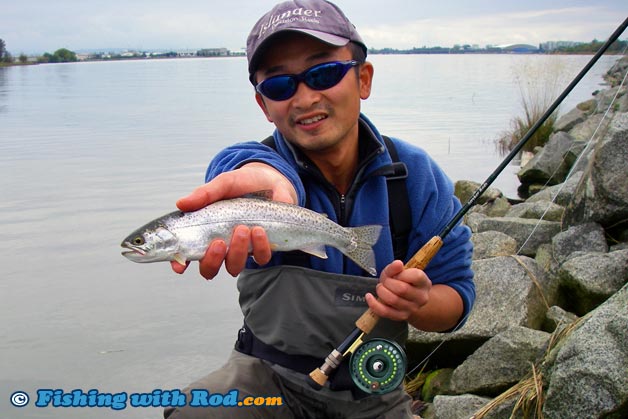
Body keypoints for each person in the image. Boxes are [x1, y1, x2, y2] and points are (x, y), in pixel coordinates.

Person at [164, 1, 474, 418]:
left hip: (374, 393)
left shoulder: (413, 176)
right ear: (263, 105)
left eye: (324, 73)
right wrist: (273, 181)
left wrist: (416, 303)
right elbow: (239, 162)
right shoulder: (259, 167)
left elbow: (457, 297)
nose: (305, 98)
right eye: (279, 86)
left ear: (363, 79)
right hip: (265, 382)